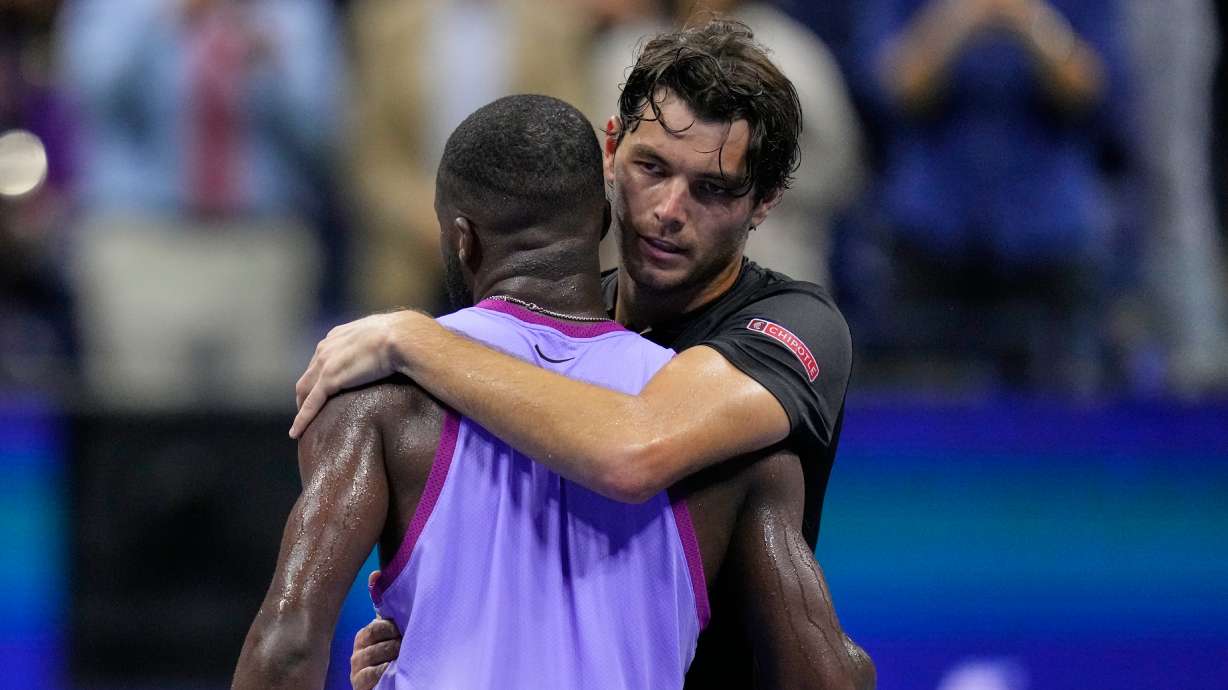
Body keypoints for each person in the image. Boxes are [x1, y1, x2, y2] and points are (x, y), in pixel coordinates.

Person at [234, 95, 871, 689]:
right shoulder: (728, 443)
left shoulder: (380, 396)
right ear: (605, 198)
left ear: (463, 238)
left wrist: (410, 338)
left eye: (711, 188)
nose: (669, 211)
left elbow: (289, 643)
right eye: (653, 168)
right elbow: (824, 678)